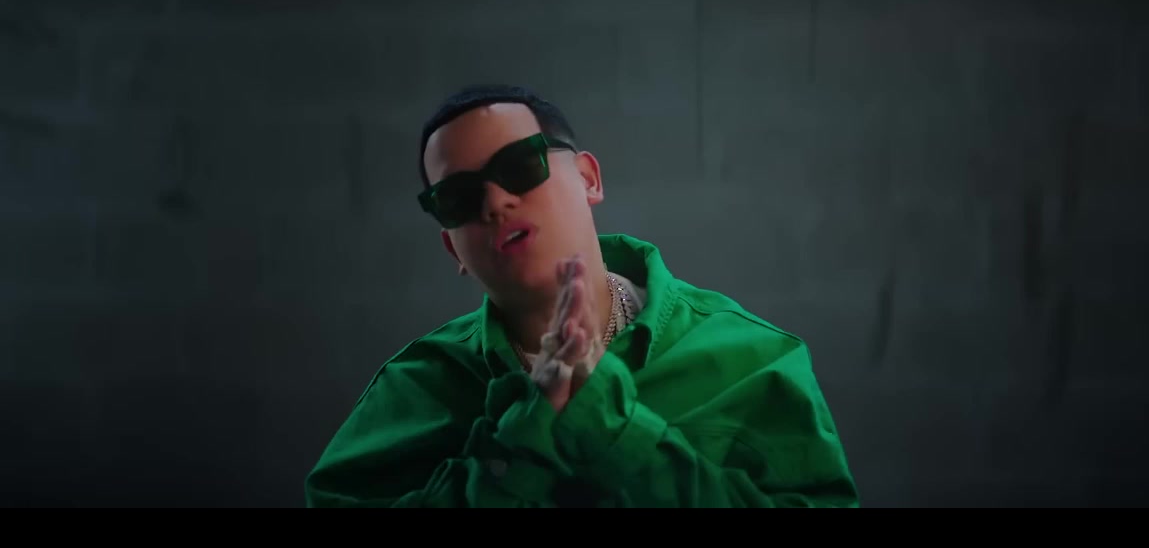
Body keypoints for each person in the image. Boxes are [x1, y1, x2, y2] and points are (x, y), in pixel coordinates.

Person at [304, 84, 860, 508]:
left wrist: (611, 429)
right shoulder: (414, 389)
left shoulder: (753, 360)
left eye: (520, 166)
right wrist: (521, 441)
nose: (495, 203)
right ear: (452, 246)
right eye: (459, 197)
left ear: (589, 179)